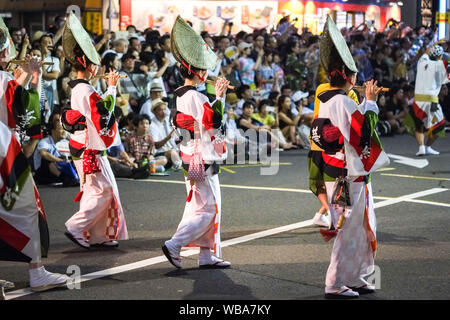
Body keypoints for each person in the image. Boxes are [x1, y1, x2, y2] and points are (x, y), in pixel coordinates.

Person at [315, 16, 389, 299]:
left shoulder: (327, 101)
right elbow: (363, 135)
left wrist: (363, 101)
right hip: (348, 178)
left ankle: (357, 276)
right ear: (347, 76)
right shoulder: (345, 102)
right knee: (348, 231)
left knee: (361, 228)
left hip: (340, 173)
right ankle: (334, 282)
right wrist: (370, 101)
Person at [0, 25, 68, 293]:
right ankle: (37, 272)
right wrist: (33, 74)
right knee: (28, 208)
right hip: (5, 153)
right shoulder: (5, 80)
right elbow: (28, 112)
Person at [162, 15, 231, 269]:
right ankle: (175, 244)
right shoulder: (197, 97)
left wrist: (215, 97)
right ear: (198, 72)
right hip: (201, 158)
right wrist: (220, 97)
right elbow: (212, 124)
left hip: (190, 156)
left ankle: (205, 254)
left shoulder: (181, 95)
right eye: (204, 70)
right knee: (210, 209)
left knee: (199, 207)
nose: (207, 74)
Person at [61, 13, 128, 249]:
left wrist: (106, 89)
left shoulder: (80, 88)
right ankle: (76, 226)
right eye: (93, 63)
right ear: (88, 66)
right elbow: (103, 115)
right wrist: (111, 89)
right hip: (89, 147)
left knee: (93, 191)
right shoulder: (84, 89)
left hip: (82, 144)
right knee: (104, 190)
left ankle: (98, 235)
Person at [405, 44, 449, 156]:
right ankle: (428, 146)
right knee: (440, 125)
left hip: (418, 100)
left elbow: (425, 52)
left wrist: (433, 46)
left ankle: (422, 148)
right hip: (431, 100)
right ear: (440, 56)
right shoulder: (440, 64)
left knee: (419, 124)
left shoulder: (422, 62)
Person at [33, 113, 79, 187]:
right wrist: (60, 161)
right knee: (49, 160)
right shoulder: (45, 141)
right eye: (61, 129)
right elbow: (44, 153)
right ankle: (65, 178)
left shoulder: (65, 142)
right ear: (53, 131)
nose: (64, 132)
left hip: (58, 170)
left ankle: (75, 177)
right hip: (42, 173)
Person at [149, 98, 182, 170]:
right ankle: (178, 164)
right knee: (172, 153)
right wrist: (168, 137)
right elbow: (156, 145)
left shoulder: (168, 121)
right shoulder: (152, 125)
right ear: (154, 112)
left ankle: (176, 164)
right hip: (160, 152)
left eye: (164, 109)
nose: (163, 112)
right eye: (160, 110)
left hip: (172, 149)